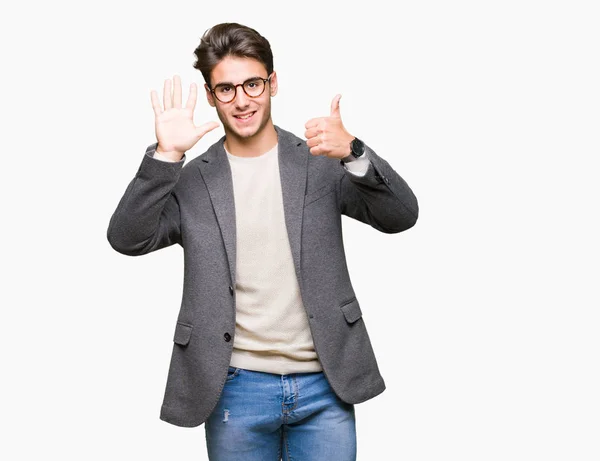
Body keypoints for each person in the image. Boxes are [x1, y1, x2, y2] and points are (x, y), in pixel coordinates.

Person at [107, 22, 418, 461]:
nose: (242, 100)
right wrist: (166, 156)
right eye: (226, 89)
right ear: (212, 96)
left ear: (272, 83)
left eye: (252, 83)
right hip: (236, 385)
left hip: (324, 384)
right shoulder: (193, 179)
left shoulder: (319, 162)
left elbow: (401, 216)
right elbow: (127, 238)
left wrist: (353, 151)